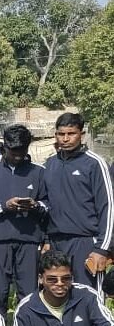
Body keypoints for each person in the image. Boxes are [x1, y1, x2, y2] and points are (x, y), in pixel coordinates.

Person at [0, 125, 48, 315]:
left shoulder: (39, 172)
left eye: (21, 151)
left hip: (29, 243)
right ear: (5, 146)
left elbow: (49, 205)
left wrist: (35, 205)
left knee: (29, 293)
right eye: (13, 150)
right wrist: (4, 206)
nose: (17, 155)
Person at [43, 112, 113, 292]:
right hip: (57, 242)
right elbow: (47, 205)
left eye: (71, 134)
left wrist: (102, 249)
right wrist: (46, 240)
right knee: (57, 298)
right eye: (61, 134)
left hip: (85, 243)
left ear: (81, 135)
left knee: (88, 297)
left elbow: (108, 208)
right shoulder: (50, 164)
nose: (65, 139)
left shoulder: (95, 163)